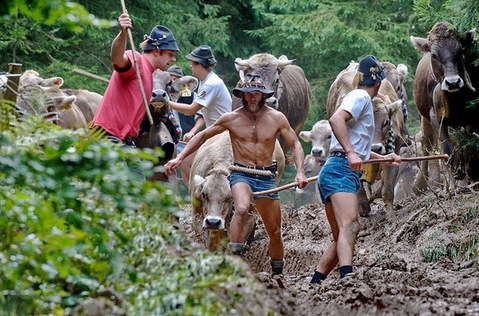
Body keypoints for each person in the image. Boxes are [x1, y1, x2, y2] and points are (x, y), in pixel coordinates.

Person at [164, 74, 308, 277]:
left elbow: (295, 144)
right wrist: (179, 159)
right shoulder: (232, 118)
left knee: (275, 231)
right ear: (241, 96)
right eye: (247, 95)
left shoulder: (277, 118)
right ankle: (233, 260)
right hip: (241, 173)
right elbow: (203, 135)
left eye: (256, 94)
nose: (252, 98)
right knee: (241, 209)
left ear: (264, 96)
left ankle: (278, 272)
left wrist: (300, 171)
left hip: (266, 176)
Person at [310, 55, 401, 284]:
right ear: (379, 83)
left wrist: (383, 157)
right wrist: (350, 152)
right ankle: (347, 277)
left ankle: (316, 281)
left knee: (341, 233)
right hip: (340, 169)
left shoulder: (360, 99)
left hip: (337, 170)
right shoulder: (361, 96)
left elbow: (358, 148)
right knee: (351, 224)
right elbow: (336, 120)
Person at [90, 13, 179, 145]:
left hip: (125, 141)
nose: (173, 59)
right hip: (108, 137)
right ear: (156, 51)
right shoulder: (137, 61)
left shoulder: (149, 75)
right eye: (170, 54)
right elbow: (117, 58)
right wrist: (123, 33)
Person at [167, 46, 232, 185]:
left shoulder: (211, 84)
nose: (190, 67)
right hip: (214, 132)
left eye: (192, 63)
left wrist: (166, 103)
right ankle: (197, 194)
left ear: (199, 64)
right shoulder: (206, 82)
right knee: (185, 161)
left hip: (222, 135)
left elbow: (191, 110)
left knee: (185, 160)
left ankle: (199, 193)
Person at [166, 65, 205, 145]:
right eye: (170, 80)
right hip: (167, 142)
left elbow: (201, 117)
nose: (173, 82)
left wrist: (191, 132)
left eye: (175, 79)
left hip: (187, 142)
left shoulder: (192, 96)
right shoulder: (162, 95)